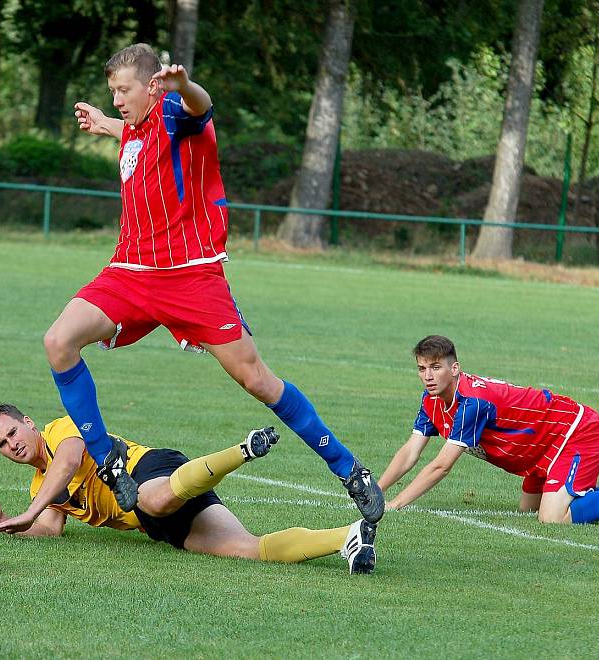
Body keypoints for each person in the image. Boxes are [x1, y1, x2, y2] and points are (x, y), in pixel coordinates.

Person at [44, 42, 383, 524]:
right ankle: (109, 460)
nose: (117, 98)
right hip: (131, 273)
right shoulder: (136, 128)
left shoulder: (175, 114)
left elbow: (199, 108)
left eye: (124, 90)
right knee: (59, 341)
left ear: (152, 86)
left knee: (257, 380)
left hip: (192, 277)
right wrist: (107, 123)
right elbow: (138, 137)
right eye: (113, 91)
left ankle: (350, 469)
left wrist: (183, 85)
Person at [0, 404, 378, 574]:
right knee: (249, 549)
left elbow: (70, 461)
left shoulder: (61, 429)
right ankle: (349, 537)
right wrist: (7, 523)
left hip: (150, 470)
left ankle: (242, 450)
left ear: (30, 424)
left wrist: (29, 511)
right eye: (1, 444)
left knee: (154, 497)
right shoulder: (43, 486)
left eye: (12, 432)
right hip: (156, 521)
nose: (12, 444)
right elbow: (52, 528)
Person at [377, 335, 599, 524]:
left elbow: (441, 466)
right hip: (542, 450)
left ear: (455, 369)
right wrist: (376, 492)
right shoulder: (432, 400)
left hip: (578, 431)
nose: (427, 376)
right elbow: (411, 451)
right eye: (421, 368)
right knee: (529, 512)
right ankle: (578, 489)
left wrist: (396, 503)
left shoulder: (472, 402)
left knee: (551, 518)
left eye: (436, 367)